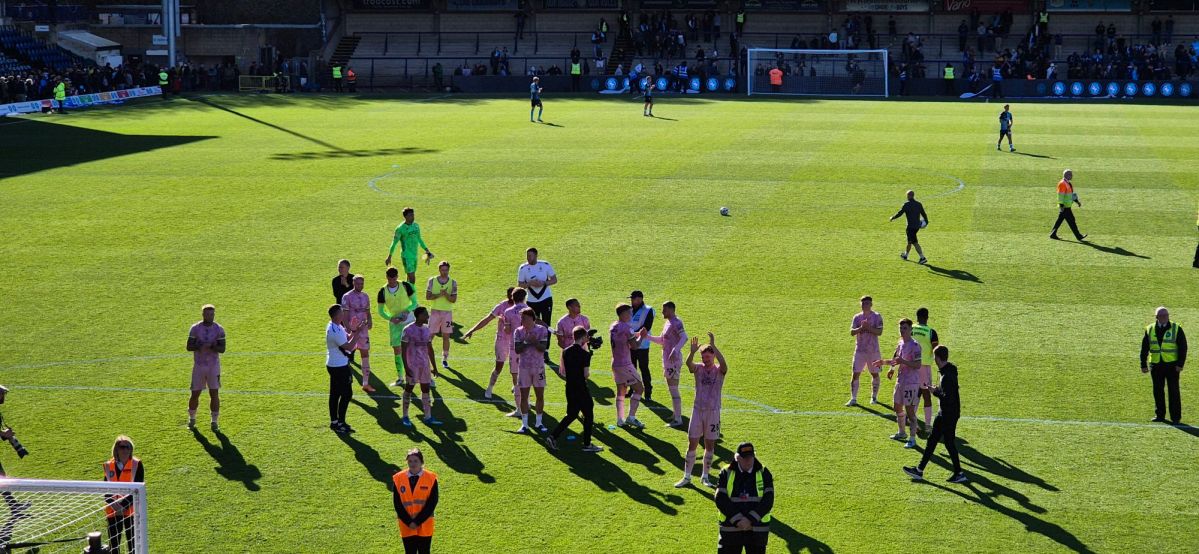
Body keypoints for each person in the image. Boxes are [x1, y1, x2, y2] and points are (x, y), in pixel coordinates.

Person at [903, 345, 968, 483]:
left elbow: (947, 398)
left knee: (942, 442)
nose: (934, 359)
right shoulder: (949, 370)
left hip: (946, 414)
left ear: (938, 357)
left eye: (934, 356)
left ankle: (922, 470)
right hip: (949, 413)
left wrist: (935, 392)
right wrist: (937, 389)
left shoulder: (946, 376)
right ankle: (922, 470)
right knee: (938, 441)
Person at [676, 332, 727, 488]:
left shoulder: (719, 371)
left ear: (713, 357)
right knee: (692, 443)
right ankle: (687, 476)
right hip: (697, 411)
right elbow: (688, 365)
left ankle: (705, 476)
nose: (706, 360)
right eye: (704, 357)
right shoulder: (698, 368)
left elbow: (724, 364)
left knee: (710, 445)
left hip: (713, 412)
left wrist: (714, 345)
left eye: (708, 357)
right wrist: (692, 352)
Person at [546, 326, 603, 452]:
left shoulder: (566, 351)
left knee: (571, 414)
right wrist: (589, 357)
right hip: (581, 387)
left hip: (570, 386)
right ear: (583, 337)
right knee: (588, 414)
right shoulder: (585, 354)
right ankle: (587, 444)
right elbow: (586, 374)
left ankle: (553, 436)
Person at [715, 442, 774, 554]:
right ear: (737, 458)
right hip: (731, 531)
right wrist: (738, 519)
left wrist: (750, 520)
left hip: (756, 531)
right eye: (744, 458)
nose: (748, 460)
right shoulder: (726, 472)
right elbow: (720, 499)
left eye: (751, 457)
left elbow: (768, 500)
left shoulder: (764, 472)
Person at [463, 287, 515, 400]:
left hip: (517, 341)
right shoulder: (502, 306)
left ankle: (517, 388)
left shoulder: (522, 307)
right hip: (502, 340)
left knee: (518, 366)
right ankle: (490, 388)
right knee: (499, 366)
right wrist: (472, 330)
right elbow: (487, 319)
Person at [877, 318, 921, 449]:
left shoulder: (915, 346)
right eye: (900, 328)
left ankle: (912, 439)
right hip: (901, 380)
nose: (902, 331)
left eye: (905, 328)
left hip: (911, 382)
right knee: (897, 407)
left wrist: (903, 362)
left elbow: (918, 364)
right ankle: (902, 433)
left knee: (910, 412)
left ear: (911, 330)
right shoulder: (901, 343)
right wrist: (885, 364)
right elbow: (896, 359)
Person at [1141, 307, 1187, 424]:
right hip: (1156, 365)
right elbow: (1144, 348)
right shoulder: (1150, 329)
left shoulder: (1176, 328)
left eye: (1166, 315)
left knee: (1174, 391)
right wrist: (1143, 364)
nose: (1165, 317)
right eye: (1162, 316)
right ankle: (1160, 415)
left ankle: (1175, 417)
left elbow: (1183, 348)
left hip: (1172, 366)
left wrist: (1180, 364)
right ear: (1157, 317)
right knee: (1157, 391)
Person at [647, 301, 689, 427]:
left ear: (671, 309)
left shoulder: (677, 322)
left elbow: (685, 337)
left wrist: (674, 350)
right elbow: (661, 340)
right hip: (667, 360)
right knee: (671, 388)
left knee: (673, 389)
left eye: (664, 310)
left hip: (673, 361)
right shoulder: (668, 323)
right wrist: (646, 337)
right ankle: (676, 414)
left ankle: (678, 419)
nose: (662, 312)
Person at [391, 447, 438, 554]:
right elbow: (397, 504)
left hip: (424, 523)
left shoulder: (431, 478)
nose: (412, 463)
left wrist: (417, 521)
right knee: (409, 552)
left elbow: (432, 503)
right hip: (406, 523)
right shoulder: (398, 478)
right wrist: (409, 522)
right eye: (410, 461)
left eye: (415, 461)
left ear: (421, 462)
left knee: (424, 551)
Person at [187, 304, 226, 431]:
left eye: (212, 314)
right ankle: (192, 419)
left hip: (213, 367)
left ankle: (214, 421)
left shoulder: (219, 329)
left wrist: (213, 347)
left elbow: (223, 349)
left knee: (214, 393)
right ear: (203, 315)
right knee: (195, 393)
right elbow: (189, 346)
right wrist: (199, 346)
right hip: (199, 366)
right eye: (208, 314)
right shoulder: (195, 328)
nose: (210, 316)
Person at [379, 267, 420, 387]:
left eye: (394, 278)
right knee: (397, 350)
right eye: (389, 278)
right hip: (395, 324)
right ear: (386, 277)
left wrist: (407, 312)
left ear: (397, 276)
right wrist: (391, 318)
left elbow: (414, 303)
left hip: (409, 321)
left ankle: (417, 375)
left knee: (414, 349)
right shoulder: (382, 291)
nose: (392, 280)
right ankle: (400, 378)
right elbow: (381, 311)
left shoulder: (406, 286)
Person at [103, 435, 143, 554]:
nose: (125, 450)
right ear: (116, 449)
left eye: (128, 447)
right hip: (113, 511)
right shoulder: (109, 465)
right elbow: (105, 491)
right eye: (122, 447)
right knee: (114, 546)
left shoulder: (137, 464)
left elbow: (138, 488)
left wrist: (122, 506)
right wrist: (115, 506)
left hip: (131, 511)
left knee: (133, 545)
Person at [401, 307, 442, 427]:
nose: (428, 317)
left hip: (424, 365)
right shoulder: (408, 330)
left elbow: (430, 349)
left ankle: (428, 416)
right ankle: (405, 416)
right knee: (409, 389)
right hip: (412, 365)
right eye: (425, 315)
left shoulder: (427, 330)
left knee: (426, 389)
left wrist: (434, 367)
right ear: (418, 316)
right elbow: (403, 351)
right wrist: (406, 368)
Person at [611, 304, 648, 428]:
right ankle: (631, 417)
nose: (631, 315)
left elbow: (624, 337)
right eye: (629, 313)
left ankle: (620, 419)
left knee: (621, 391)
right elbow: (635, 346)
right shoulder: (627, 328)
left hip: (615, 363)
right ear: (623, 314)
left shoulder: (613, 326)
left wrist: (635, 334)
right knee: (639, 389)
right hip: (625, 364)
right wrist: (641, 336)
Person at [513, 308, 550, 433]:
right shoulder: (518, 331)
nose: (522, 320)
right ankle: (525, 425)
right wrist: (526, 342)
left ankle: (539, 423)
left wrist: (534, 342)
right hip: (523, 368)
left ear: (532, 318)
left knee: (540, 395)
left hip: (538, 367)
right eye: (521, 318)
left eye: (524, 318)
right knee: (524, 396)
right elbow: (517, 350)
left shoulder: (542, 330)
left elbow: (543, 348)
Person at [518, 247, 557, 365]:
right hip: (531, 301)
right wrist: (530, 283)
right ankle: (530, 349)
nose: (528, 258)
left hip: (546, 299)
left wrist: (543, 283)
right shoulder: (523, 268)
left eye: (530, 256)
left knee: (546, 324)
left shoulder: (545, 265)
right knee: (531, 325)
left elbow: (554, 280)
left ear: (536, 255)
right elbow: (520, 285)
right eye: (527, 256)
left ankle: (545, 350)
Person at [847, 296, 883, 406]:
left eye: (867, 303)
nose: (865, 305)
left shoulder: (877, 316)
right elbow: (852, 332)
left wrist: (868, 328)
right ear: (861, 305)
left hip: (873, 351)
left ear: (871, 304)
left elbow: (879, 332)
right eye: (863, 303)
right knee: (855, 374)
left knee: (875, 374)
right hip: (860, 351)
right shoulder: (857, 317)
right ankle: (853, 399)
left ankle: (874, 397)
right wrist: (861, 328)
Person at [342, 275, 375, 393]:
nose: (360, 286)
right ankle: (343, 382)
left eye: (362, 284)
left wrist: (370, 320)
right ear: (353, 283)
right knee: (345, 356)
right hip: (352, 331)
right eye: (358, 284)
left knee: (365, 354)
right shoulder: (347, 297)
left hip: (363, 331)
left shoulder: (365, 296)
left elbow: (367, 311)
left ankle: (365, 383)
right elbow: (344, 316)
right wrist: (348, 330)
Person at [385, 207, 434, 285]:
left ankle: (406, 294)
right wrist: (389, 256)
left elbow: (419, 239)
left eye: (413, 215)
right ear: (405, 216)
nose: (413, 217)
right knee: (412, 279)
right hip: (406, 256)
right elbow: (394, 243)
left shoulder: (416, 226)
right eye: (410, 215)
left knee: (409, 278)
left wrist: (426, 250)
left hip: (414, 255)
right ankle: (412, 295)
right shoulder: (400, 229)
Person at [326, 304, 354, 434]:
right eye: (342, 312)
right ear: (337, 315)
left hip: (337, 364)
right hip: (339, 367)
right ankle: (340, 422)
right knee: (346, 394)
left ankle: (335, 422)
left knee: (335, 394)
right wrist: (359, 333)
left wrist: (354, 330)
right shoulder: (334, 330)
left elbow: (347, 337)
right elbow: (348, 346)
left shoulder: (336, 326)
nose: (343, 314)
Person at [911, 307, 939, 433]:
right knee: (926, 394)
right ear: (927, 317)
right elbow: (936, 350)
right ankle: (928, 426)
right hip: (924, 367)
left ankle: (912, 421)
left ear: (917, 317)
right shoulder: (931, 332)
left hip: (911, 366)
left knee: (913, 393)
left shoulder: (910, 329)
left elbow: (902, 345)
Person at [425, 261, 457, 369]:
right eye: (443, 270)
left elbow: (453, 299)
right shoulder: (432, 281)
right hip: (435, 311)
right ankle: (425, 355)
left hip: (447, 312)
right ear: (439, 270)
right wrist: (439, 294)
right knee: (430, 336)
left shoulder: (453, 283)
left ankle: (445, 358)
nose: (444, 272)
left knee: (446, 336)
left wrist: (446, 295)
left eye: (446, 270)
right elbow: (428, 296)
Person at [627, 291, 656, 401]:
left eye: (633, 299)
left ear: (639, 299)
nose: (631, 300)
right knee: (631, 368)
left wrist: (630, 334)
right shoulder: (629, 309)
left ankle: (648, 392)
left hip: (642, 344)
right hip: (630, 344)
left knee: (644, 368)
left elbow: (646, 327)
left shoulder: (648, 310)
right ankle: (632, 389)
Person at [889, 189, 928, 264]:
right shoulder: (919, 204)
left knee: (915, 242)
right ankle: (905, 255)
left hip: (910, 227)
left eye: (907, 195)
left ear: (909, 196)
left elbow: (900, 213)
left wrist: (892, 217)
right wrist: (926, 221)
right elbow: (924, 214)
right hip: (917, 226)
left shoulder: (906, 205)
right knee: (909, 241)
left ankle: (922, 258)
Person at [1050, 169, 1087, 241]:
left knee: (1060, 220)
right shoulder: (1062, 183)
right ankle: (1078, 236)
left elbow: (1071, 194)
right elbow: (1060, 195)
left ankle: (1053, 234)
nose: (1072, 176)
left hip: (1067, 206)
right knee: (1071, 221)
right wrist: (1061, 206)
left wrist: (1077, 201)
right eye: (1071, 174)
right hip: (1065, 207)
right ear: (1067, 175)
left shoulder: (1067, 183)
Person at [555, 298, 591, 367]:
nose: (579, 306)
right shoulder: (561, 322)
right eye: (577, 305)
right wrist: (569, 353)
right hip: (568, 353)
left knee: (583, 374)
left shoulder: (584, 319)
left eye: (579, 305)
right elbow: (560, 341)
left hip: (582, 352)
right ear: (569, 307)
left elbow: (588, 337)